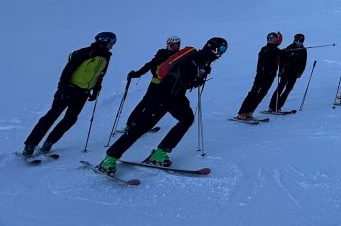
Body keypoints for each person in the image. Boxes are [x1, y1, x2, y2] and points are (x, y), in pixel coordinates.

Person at [98, 37, 228, 174]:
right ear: (212, 47)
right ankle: (109, 158)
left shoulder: (205, 64)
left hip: (177, 96)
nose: (222, 53)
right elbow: (167, 71)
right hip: (163, 93)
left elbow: (189, 82)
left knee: (187, 118)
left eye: (224, 50)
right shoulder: (193, 55)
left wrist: (198, 79)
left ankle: (159, 153)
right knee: (142, 126)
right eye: (221, 49)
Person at [23, 32, 116, 156]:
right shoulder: (86, 52)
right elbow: (68, 69)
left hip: (83, 93)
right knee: (52, 116)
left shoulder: (106, 57)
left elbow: (100, 74)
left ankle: (50, 142)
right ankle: (30, 144)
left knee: (70, 119)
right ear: (104, 42)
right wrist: (62, 87)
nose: (113, 45)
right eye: (112, 42)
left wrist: (96, 89)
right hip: (68, 89)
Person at [121, 36, 181, 132]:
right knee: (146, 103)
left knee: (155, 106)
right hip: (156, 83)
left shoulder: (179, 55)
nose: (177, 46)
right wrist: (137, 74)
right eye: (174, 44)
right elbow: (149, 65)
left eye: (178, 44)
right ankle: (131, 123)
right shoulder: (162, 53)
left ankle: (142, 124)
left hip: (168, 86)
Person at [236, 31, 283, 119]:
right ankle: (242, 112)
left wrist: (284, 53)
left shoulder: (277, 51)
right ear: (269, 40)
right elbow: (267, 57)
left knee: (262, 94)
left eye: (276, 39)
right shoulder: (265, 49)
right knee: (253, 93)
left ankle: (250, 112)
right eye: (273, 39)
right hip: (261, 76)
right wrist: (278, 54)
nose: (275, 40)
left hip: (271, 76)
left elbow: (283, 56)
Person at [268, 33, 307, 112]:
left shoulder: (303, 50)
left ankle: (278, 106)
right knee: (280, 89)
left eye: (300, 41)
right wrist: (280, 70)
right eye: (297, 41)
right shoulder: (289, 48)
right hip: (286, 72)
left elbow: (303, 62)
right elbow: (281, 60)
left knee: (288, 90)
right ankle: (272, 106)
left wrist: (300, 72)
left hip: (295, 74)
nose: (298, 43)